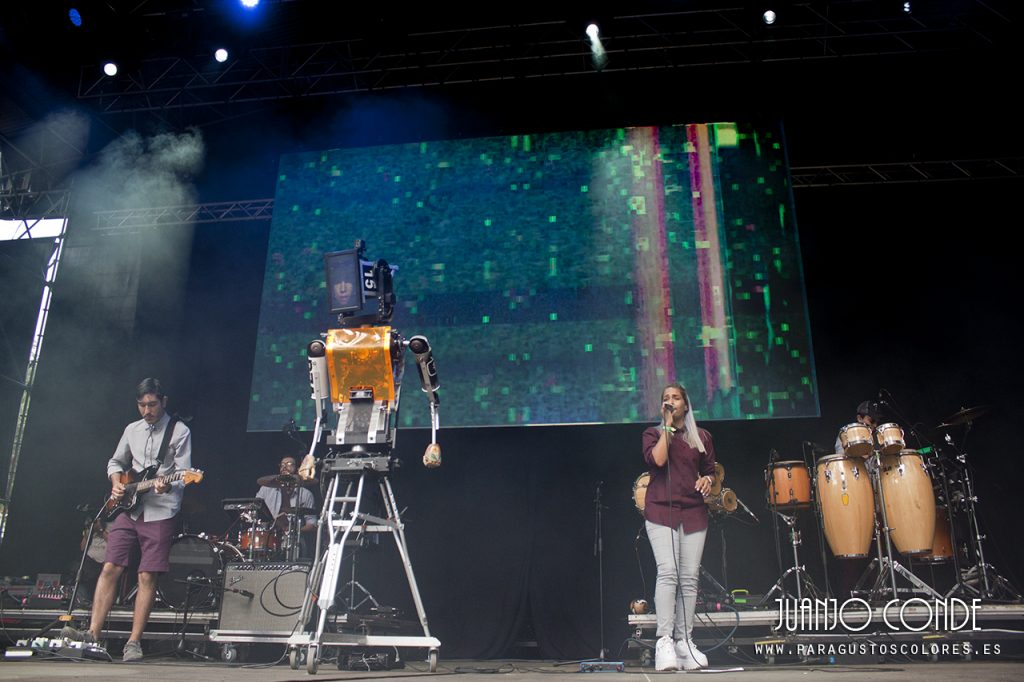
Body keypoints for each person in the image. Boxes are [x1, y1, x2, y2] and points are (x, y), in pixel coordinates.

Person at [63, 378, 191, 662]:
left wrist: (167, 485)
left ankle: (134, 642)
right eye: (142, 405)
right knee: (110, 567)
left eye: (153, 404)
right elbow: (115, 462)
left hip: (160, 510)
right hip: (129, 508)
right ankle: (92, 635)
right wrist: (116, 483)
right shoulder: (131, 430)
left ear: (164, 401)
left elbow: (183, 474)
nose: (147, 410)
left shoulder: (179, 431)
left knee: (147, 574)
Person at [642, 383, 716, 671]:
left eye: (675, 398)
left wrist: (708, 481)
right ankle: (664, 641)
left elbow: (710, 472)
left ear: (686, 404)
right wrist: (668, 428)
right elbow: (658, 459)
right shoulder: (652, 434)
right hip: (661, 510)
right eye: (665, 399)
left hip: (694, 511)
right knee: (668, 572)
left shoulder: (704, 437)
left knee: (689, 578)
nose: (670, 401)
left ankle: (685, 641)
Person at [255, 456, 317, 558]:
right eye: (282, 465)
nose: (284, 467)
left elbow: (312, 524)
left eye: (289, 464)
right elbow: (256, 508)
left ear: (297, 469)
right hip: (268, 536)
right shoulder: (266, 489)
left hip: (294, 539)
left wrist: (294, 530)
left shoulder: (306, 495)